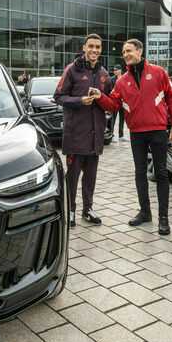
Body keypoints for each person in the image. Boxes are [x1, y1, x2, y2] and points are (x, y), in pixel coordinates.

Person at [92, 39, 172, 235]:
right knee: (140, 172)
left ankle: (163, 218)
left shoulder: (158, 72)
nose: (125, 54)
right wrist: (100, 97)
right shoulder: (122, 81)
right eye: (123, 52)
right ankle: (145, 212)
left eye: (129, 51)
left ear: (140, 51)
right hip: (137, 133)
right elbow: (113, 105)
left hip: (158, 130)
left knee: (161, 173)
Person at [54, 34, 111, 227]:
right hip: (75, 134)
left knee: (90, 177)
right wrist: (79, 101)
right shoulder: (72, 70)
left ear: (101, 50)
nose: (94, 50)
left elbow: (109, 100)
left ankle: (88, 209)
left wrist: (102, 98)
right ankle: (70, 210)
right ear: (84, 48)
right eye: (91, 46)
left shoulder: (103, 73)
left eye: (98, 47)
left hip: (96, 135)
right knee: (73, 175)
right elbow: (59, 97)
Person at [108, 64, 127, 142]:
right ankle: (111, 135)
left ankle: (121, 135)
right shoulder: (111, 79)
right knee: (113, 118)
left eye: (116, 70)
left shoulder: (125, 78)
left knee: (122, 119)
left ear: (120, 70)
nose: (114, 71)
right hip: (115, 102)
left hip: (123, 101)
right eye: (114, 70)